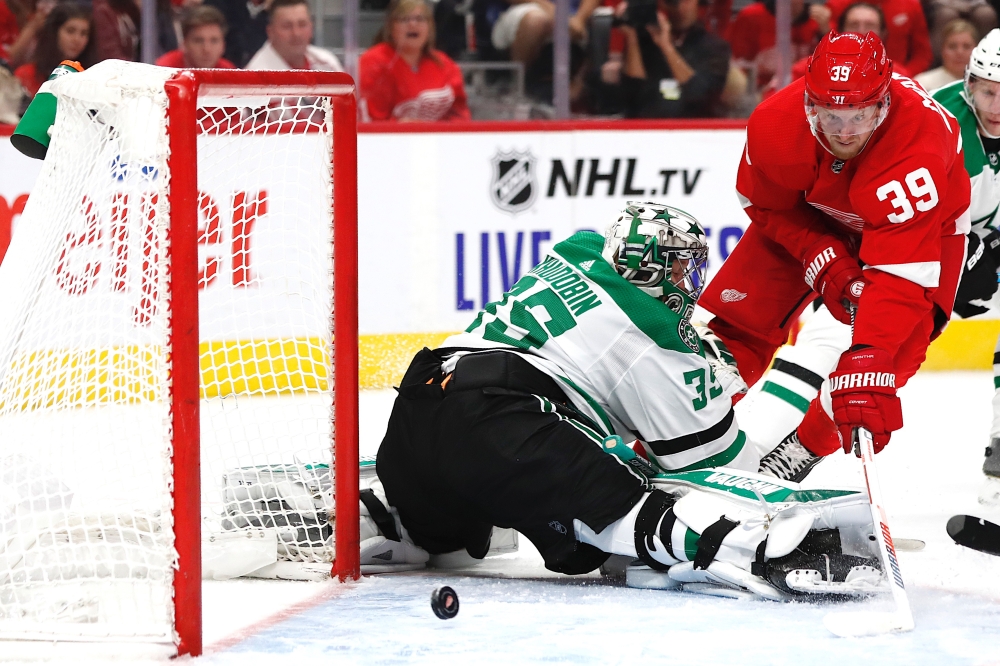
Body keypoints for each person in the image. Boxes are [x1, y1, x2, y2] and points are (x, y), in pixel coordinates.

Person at [359, 202, 886, 599]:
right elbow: (733, 476)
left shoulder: (575, 252)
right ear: (659, 272)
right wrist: (815, 428)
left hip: (422, 400)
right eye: (683, 270)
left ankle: (383, 517)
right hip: (507, 422)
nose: (688, 282)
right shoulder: (655, 342)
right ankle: (755, 552)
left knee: (446, 542)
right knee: (632, 512)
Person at [699, 32, 970, 480]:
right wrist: (818, 252)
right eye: (831, 114)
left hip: (925, 228)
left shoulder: (917, 143)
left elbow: (899, 276)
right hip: (813, 215)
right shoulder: (775, 124)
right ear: (810, 103)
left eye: (859, 115)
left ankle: (798, 453)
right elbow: (764, 205)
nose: (844, 131)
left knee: (888, 361)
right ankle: (676, 436)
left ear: (882, 104)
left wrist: (869, 353)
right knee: (739, 322)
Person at [358, 0, 470, 121]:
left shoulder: (444, 63)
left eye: (420, 19)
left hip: (439, 139)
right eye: (404, 19)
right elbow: (372, 120)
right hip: (390, 139)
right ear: (391, 26)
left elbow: (460, 114)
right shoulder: (374, 62)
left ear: (430, 26)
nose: (413, 24)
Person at [617, 0, 731, 117]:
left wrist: (666, 46)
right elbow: (632, 92)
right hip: (648, 124)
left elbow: (700, 94)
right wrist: (632, 37)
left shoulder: (715, 47)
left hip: (693, 127)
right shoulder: (647, 40)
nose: (681, 4)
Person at [727, 0, 829, 90]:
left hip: (807, 92)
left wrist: (825, 32)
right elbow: (738, 66)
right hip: (760, 91)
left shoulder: (819, 20)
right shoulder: (752, 16)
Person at [825, 0, 932, 75]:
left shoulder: (909, 5)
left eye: (869, 26)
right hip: (839, 70)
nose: (861, 32)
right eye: (854, 25)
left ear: (883, 33)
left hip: (894, 75)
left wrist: (903, 77)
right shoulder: (837, 4)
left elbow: (922, 54)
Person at [13, 1, 91, 97]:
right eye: (70, 31)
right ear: (54, 32)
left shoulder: (92, 78)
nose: (77, 39)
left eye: (84, 33)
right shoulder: (26, 74)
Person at [245, 0, 340, 70]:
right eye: (287, 26)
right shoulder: (255, 76)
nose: (296, 33)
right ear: (270, 32)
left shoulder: (328, 63)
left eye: (302, 24)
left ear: (311, 27)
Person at [155, 5, 235, 68]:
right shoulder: (164, 69)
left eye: (214, 41)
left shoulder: (229, 71)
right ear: (184, 44)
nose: (207, 49)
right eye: (198, 41)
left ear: (223, 46)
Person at [915, 19, 977, 90]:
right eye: (952, 46)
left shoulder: (987, 85)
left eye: (966, 46)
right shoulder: (922, 83)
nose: (959, 52)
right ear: (942, 50)